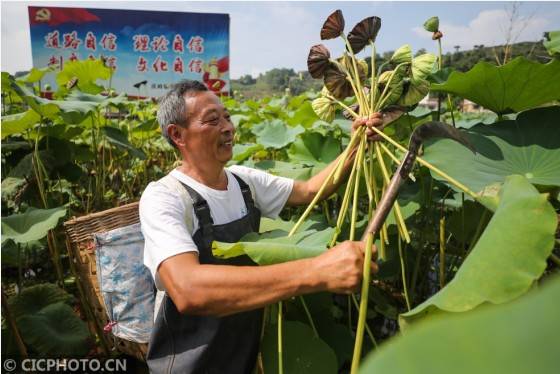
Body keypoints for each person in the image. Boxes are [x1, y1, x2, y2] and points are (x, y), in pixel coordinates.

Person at [140, 80, 383, 373]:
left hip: (243, 351)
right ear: (177, 135)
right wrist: (317, 271)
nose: (228, 127)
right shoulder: (164, 196)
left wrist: (356, 144)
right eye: (213, 120)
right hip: (189, 363)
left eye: (227, 117)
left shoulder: (244, 182)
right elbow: (188, 288)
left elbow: (309, 189)